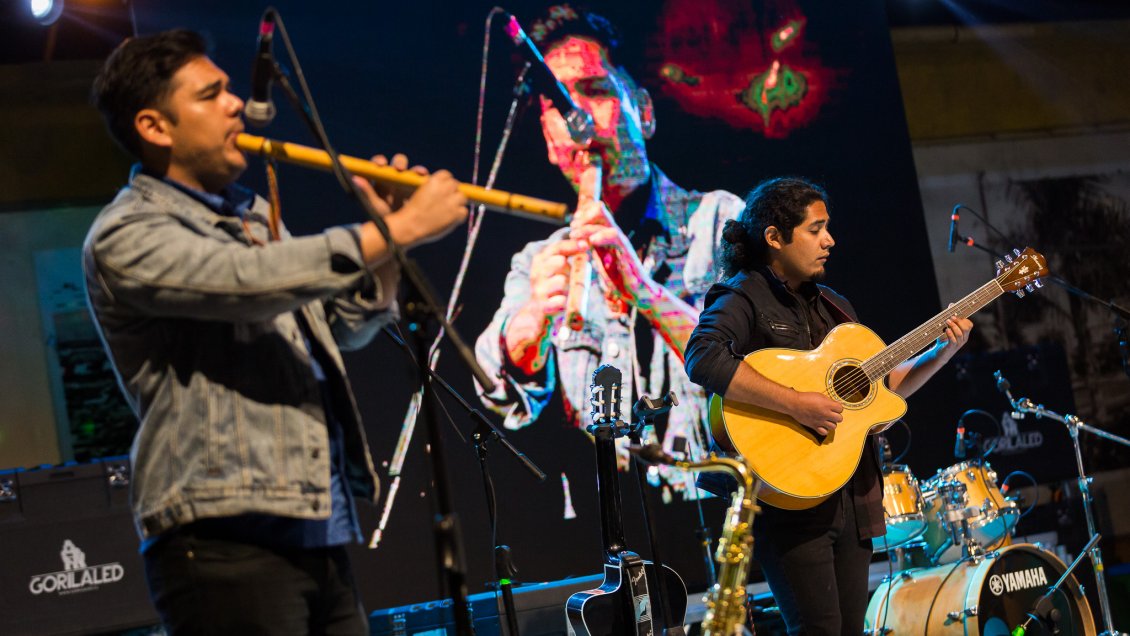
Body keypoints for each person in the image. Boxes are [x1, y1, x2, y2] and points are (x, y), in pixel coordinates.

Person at [84, 29, 467, 634]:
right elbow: (244, 282)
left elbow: (341, 328)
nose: (236, 103)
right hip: (222, 538)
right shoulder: (126, 232)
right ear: (155, 127)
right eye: (210, 95)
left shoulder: (255, 217)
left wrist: (387, 235)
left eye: (228, 89)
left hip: (316, 527)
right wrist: (401, 231)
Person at [474, 4, 744, 497]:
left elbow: (763, 368)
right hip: (604, 527)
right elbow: (499, 397)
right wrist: (529, 325)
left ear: (644, 110)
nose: (576, 119)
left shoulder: (721, 221)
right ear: (548, 138)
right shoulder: (537, 261)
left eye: (595, 91)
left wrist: (643, 292)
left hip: (719, 511)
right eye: (557, 105)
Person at [684, 177, 973, 635]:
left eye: (828, 228)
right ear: (774, 237)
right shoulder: (742, 295)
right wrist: (796, 403)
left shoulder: (835, 306)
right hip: (789, 501)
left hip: (851, 494)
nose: (830, 240)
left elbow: (881, 391)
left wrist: (942, 352)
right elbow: (702, 357)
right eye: (816, 229)